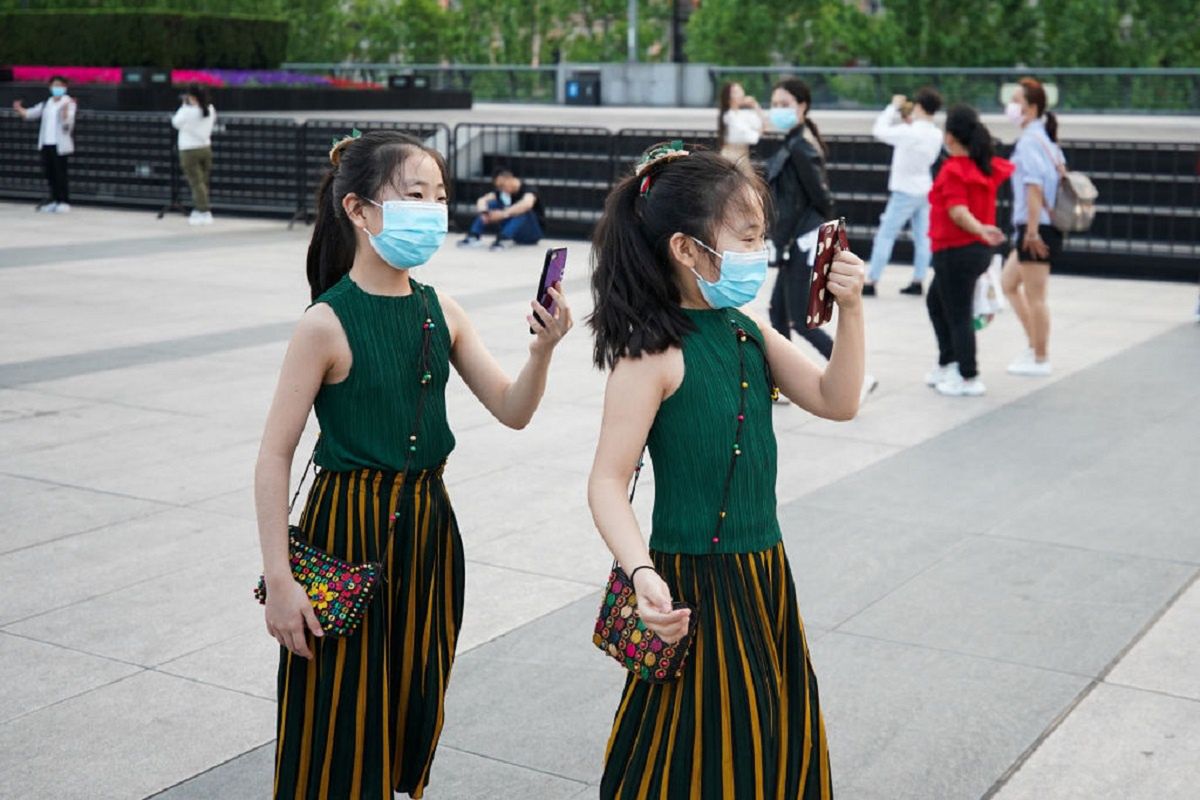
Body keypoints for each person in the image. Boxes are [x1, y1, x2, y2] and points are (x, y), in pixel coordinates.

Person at [256, 130, 571, 799]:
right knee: (335, 715)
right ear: (359, 210)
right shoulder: (325, 323)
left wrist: (542, 352)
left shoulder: (441, 310)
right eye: (415, 195)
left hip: (429, 528)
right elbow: (274, 453)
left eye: (439, 195)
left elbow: (513, 409)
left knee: (408, 703)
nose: (433, 209)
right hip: (346, 527)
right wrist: (280, 580)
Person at [588, 142, 865, 798]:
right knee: (689, 759)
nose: (758, 251)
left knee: (769, 746)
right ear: (687, 250)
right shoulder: (650, 354)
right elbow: (605, 480)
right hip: (687, 586)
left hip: (763, 574)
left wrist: (851, 312)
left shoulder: (745, 330)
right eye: (745, 236)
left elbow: (837, 399)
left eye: (760, 235)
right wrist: (642, 573)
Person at [766, 78, 877, 401]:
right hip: (792, 241)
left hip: (804, 241)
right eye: (774, 103)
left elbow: (822, 197)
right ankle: (780, 384)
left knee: (802, 319)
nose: (778, 110)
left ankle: (858, 377)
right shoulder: (793, 142)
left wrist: (815, 239)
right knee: (777, 313)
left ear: (802, 107)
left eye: (785, 104)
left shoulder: (801, 147)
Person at [924, 105, 1014, 397]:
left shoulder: (953, 170)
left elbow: (958, 212)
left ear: (950, 137)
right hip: (972, 252)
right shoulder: (982, 165)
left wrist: (980, 229)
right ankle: (948, 363)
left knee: (958, 313)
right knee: (936, 303)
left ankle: (967, 375)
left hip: (956, 251)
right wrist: (983, 231)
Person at [1000, 77, 1064, 377]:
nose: (1011, 106)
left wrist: (1033, 232)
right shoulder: (1044, 140)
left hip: (1037, 228)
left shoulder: (1030, 142)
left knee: (1036, 296)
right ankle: (1033, 344)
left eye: (1017, 100)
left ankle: (1040, 357)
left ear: (1032, 107)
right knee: (1008, 283)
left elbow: (1034, 189)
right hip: (1035, 226)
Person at [864, 87, 944, 297]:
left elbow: (879, 130)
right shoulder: (936, 134)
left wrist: (893, 107)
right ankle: (919, 279)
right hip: (925, 188)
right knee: (923, 237)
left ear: (918, 106)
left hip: (904, 190)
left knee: (886, 234)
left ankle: (872, 279)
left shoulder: (909, 132)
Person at [11, 75, 77, 213]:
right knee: (49, 173)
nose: (56, 88)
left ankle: (64, 201)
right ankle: (53, 200)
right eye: (54, 85)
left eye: (59, 85)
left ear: (65, 87)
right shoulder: (47, 103)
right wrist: (19, 109)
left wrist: (65, 113)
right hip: (46, 143)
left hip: (60, 145)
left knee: (60, 173)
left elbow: (68, 123)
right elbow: (31, 113)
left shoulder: (68, 102)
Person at [457, 168, 544, 250]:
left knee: (523, 210)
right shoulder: (502, 192)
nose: (501, 189)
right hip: (515, 232)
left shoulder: (528, 189)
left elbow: (527, 204)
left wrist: (502, 214)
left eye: (502, 185)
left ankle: (504, 239)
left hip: (532, 233)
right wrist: (484, 212)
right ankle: (474, 236)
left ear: (510, 179)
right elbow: (482, 200)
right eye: (499, 187)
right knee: (492, 204)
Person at [171, 83, 217, 225]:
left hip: (189, 149)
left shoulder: (187, 111)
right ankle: (200, 209)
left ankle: (204, 211)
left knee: (196, 182)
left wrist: (184, 106)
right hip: (205, 148)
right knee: (203, 181)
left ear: (192, 97)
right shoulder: (210, 109)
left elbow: (176, 122)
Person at [716, 81, 765, 177]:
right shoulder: (729, 116)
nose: (741, 93)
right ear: (729, 97)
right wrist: (759, 131)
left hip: (742, 160)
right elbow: (752, 137)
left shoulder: (741, 114)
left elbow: (761, 125)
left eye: (740, 90)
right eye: (736, 91)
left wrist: (755, 105)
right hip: (731, 160)